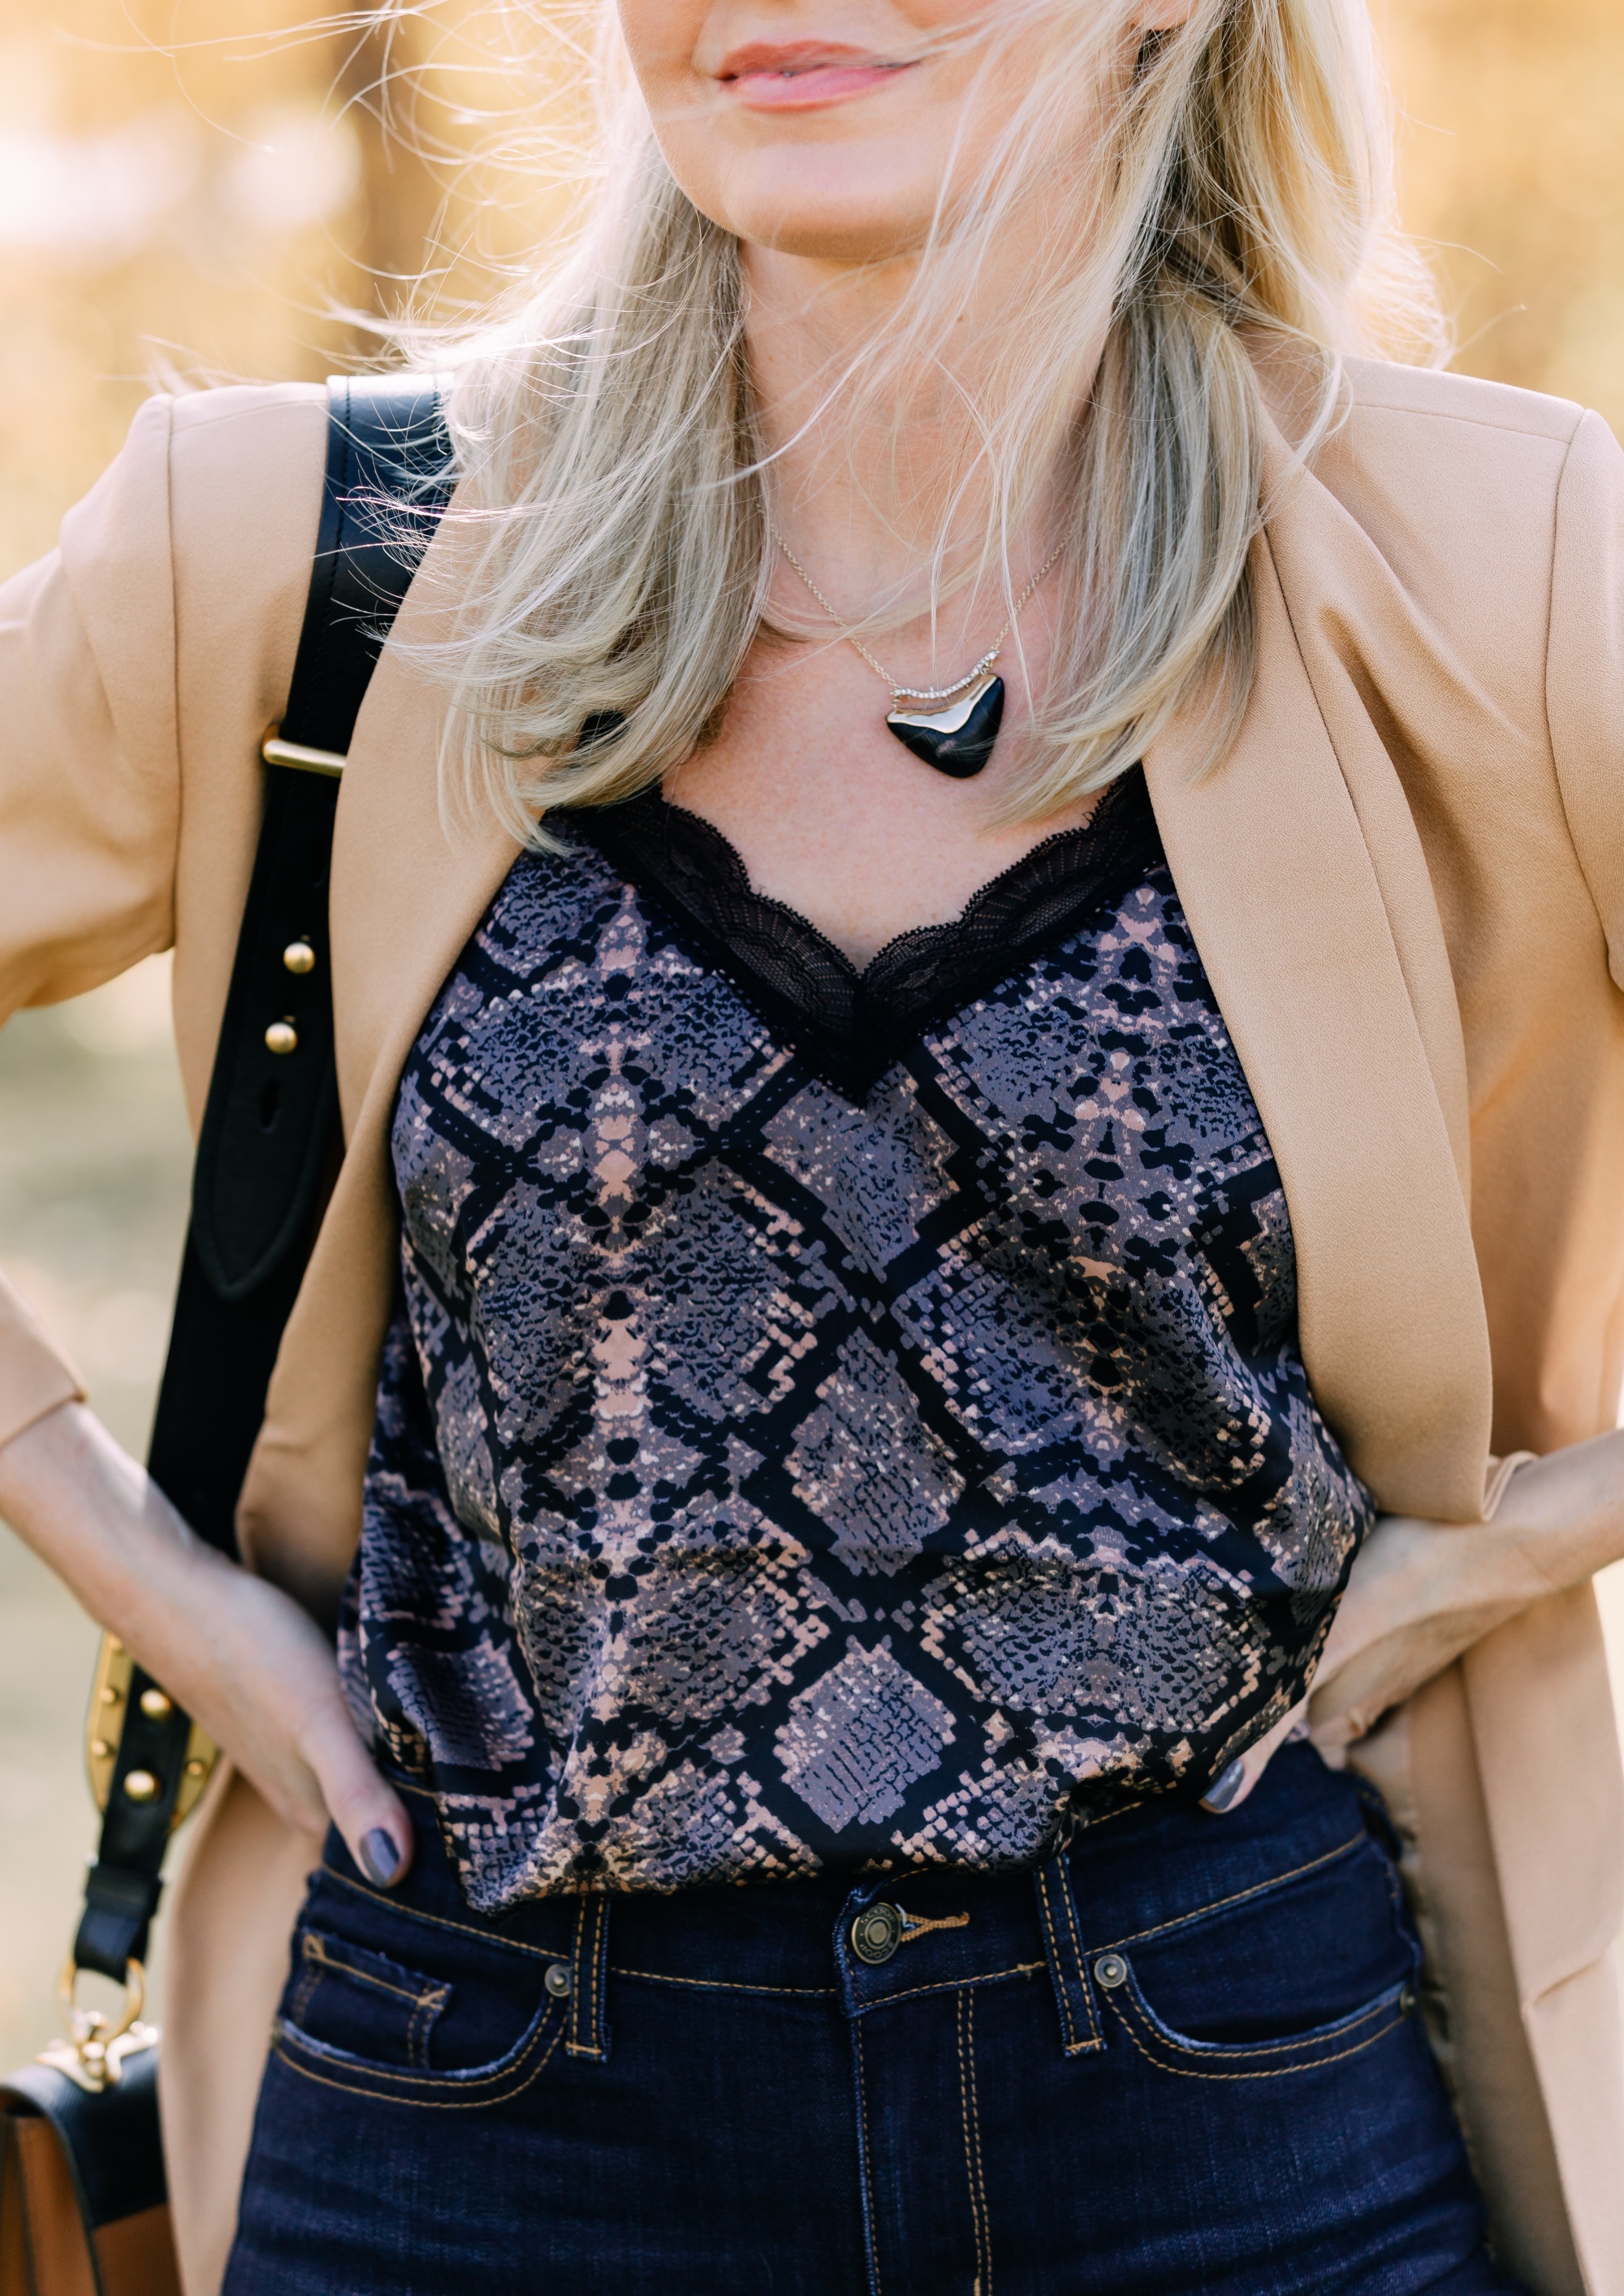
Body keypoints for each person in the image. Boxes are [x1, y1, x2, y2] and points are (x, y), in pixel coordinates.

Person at [2, 0, 1623, 2289]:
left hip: (1233, 2121)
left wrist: (1537, 1532)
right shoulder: (305, 549)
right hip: (473, 2121)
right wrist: (129, 1554)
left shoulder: (1500, 559)